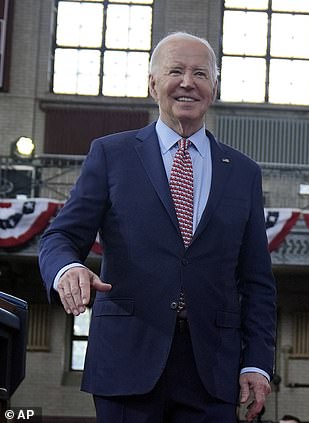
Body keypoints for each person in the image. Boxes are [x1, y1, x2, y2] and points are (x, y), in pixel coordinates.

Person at [38, 31, 276, 423]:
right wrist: (68, 268)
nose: (188, 82)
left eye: (200, 73)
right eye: (175, 71)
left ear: (213, 88)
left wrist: (257, 363)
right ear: (153, 84)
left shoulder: (244, 172)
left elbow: (257, 282)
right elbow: (61, 235)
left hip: (213, 370)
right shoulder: (111, 154)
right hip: (127, 361)